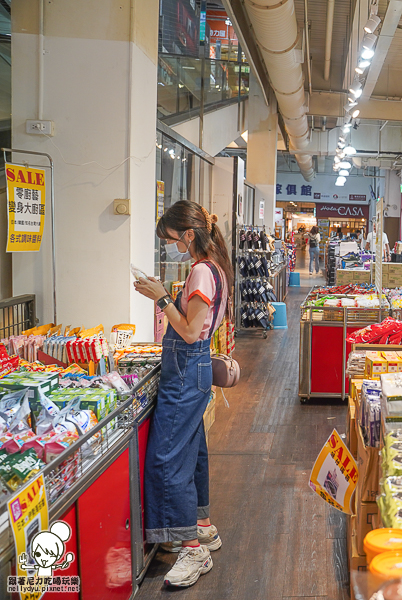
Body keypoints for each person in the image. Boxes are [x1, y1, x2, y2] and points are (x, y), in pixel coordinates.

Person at [133, 201, 232, 588]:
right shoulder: (215, 269)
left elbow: (190, 331)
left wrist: (159, 297)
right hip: (196, 367)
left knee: (166, 457)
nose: (170, 245)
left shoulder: (201, 272)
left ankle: (191, 548)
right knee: (191, 450)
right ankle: (202, 525)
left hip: (187, 367)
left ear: (189, 235)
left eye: (172, 238)